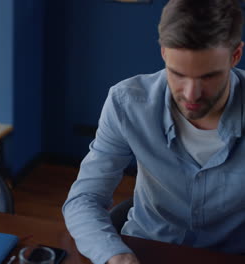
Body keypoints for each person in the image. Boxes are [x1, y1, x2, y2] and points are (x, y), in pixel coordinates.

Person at [63, 0, 245, 264]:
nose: (191, 94)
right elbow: (85, 198)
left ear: (235, 55)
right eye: (178, 74)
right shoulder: (126, 103)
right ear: (163, 54)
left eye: (208, 76)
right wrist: (115, 256)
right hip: (145, 250)